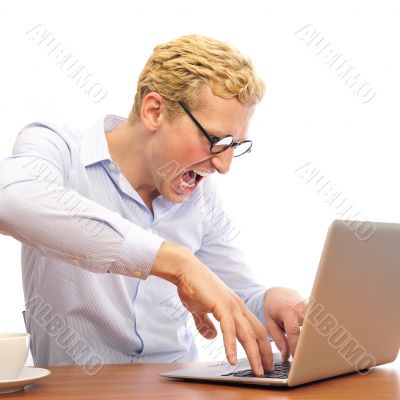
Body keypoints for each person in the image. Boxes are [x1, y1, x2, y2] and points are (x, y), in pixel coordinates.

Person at [0, 35, 305, 376]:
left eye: (236, 145)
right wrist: (175, 262)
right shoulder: (58, 149)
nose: (224, 166)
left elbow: (232, 295)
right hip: (80, 390)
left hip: (177, 389)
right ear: (154, 111)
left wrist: (269, 303)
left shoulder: (199, 195)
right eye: (216, 141)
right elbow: (10, 200)